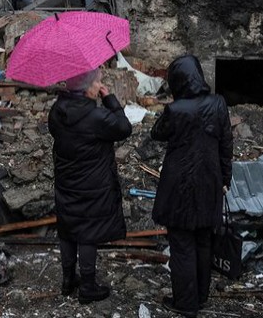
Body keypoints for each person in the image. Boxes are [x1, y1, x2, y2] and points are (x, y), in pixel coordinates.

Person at [151, 55, 233, 318]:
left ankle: (186, 303)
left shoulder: (176, 110)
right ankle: (200, 296)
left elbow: (156, 133)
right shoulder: (218, 104)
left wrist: (171, 108)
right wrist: (225, 179)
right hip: (210, 182)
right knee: (203, 240)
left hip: (180, 185)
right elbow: (226, 145)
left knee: (182, 244)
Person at [48, 67, 132, 303]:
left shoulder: (57, 111)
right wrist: (110, 99)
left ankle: (67, 280)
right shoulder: (95, 117)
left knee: (68, 229)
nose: (100, 85)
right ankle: (87, 286)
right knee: (87, 233)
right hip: (92, 184)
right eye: (97, 82)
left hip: (66, 180)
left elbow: (55, 133)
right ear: (86, 88)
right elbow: (124, 128)